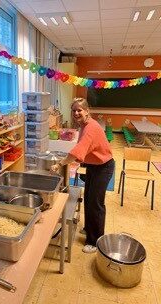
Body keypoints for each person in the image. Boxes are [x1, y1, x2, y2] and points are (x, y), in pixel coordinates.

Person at [51, 98, 114, 254]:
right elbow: (84, 150)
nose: (76, 113)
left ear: (87, 111)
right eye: (74, 110)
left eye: (80, 110)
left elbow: (79, 150)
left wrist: (60, 164)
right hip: (95, 166)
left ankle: (95, 241)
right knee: (89, 198)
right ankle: (89, 228)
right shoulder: (84, 125)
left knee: (96, 203)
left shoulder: (91, 127)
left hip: (103, 167)